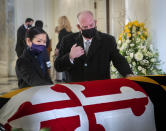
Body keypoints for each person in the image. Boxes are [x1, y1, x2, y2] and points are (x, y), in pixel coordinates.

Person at [54, 10, 133, 82]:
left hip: (100, 89)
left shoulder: (108, 40)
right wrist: (70, 56)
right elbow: (58, 66)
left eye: (91, 25)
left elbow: (118, 60)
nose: (89, 28)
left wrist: (128, 74)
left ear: (95, 22)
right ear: (78, 27)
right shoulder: (68, 40)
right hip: (76, 89)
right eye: (85, 27)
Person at [54, 16, 72, 82]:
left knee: (62, 65)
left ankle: (62, 79)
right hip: (69, 50)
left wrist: (57, 49)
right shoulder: (70, 31)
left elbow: (60, 42)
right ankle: (67, 79)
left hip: (63, 50)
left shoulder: (62, 31)